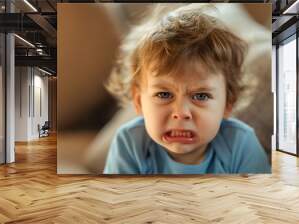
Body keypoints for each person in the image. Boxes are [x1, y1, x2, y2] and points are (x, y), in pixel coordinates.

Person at [103, 7, 271, 174]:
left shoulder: (240, 143)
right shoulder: (130, 142)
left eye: (200, 96)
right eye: (164, 94)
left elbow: (257, 198)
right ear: (139, 102)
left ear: (227, 104)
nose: (181, 113)